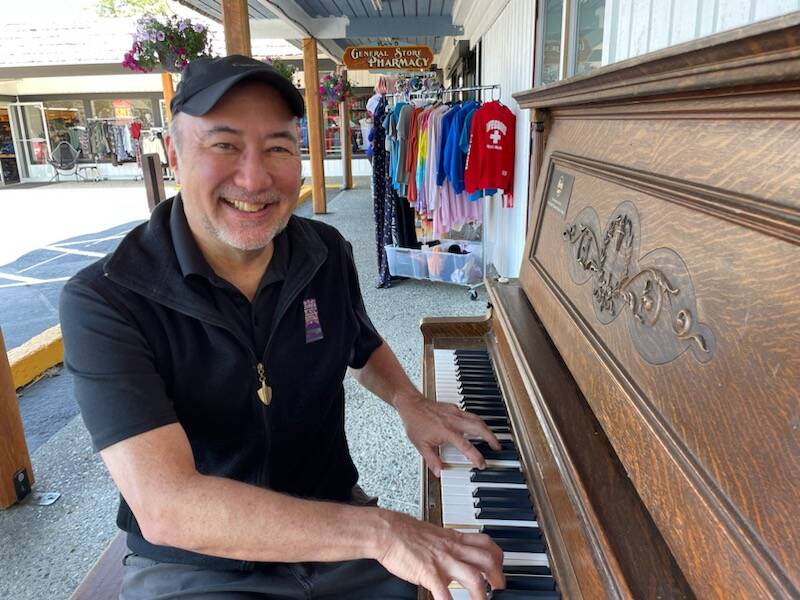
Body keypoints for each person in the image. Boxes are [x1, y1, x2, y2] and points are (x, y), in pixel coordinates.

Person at [59, 55, 505, 600]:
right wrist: (382, 532)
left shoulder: (325, 252)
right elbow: (166, 506)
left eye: (277, 147)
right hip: (201, 566)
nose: (255, 178)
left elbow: (361, 347)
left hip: (335, 532)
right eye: (224, 145)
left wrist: (412, 403)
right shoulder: (106, 298)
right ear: (174, 154)